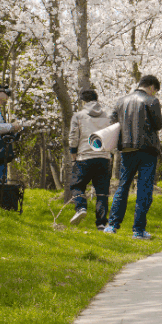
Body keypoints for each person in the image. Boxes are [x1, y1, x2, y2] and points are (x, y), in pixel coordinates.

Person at [104, 75, 162, 239]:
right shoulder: (152, 101)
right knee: (144, 189)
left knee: (123, 186)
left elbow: (112, 122)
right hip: (147, 149)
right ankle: (138, 230)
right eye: (155, 90)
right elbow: (158, 124)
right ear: (151, 87)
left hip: (127, 148)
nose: (154, 94)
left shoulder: (121, 101)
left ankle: (112, 225)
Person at [68, 88, 112, 229]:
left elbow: (73, 135)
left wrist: (73, 152)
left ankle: (81, 207)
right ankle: (101, 223)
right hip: (103, 157)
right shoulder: (107, 116)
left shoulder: (79, 116)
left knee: (76, 185)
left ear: (83, 101)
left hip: (85, 157)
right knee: (102, 192)